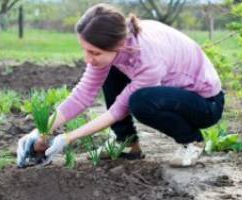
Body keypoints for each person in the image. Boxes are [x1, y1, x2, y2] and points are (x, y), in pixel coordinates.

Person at [17, 3, 224, 168]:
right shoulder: (115, 44)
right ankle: (127, 144)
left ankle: (191, 142)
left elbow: (118, 110)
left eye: (94, 52)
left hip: (205, 104)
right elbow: (82, 95)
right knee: (111, 68)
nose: (88, 58)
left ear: (120, 45)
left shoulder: (148, 57)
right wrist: (39, 131)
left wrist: (67, 138)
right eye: (85, 50)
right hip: (173, 93)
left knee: (140, 102)